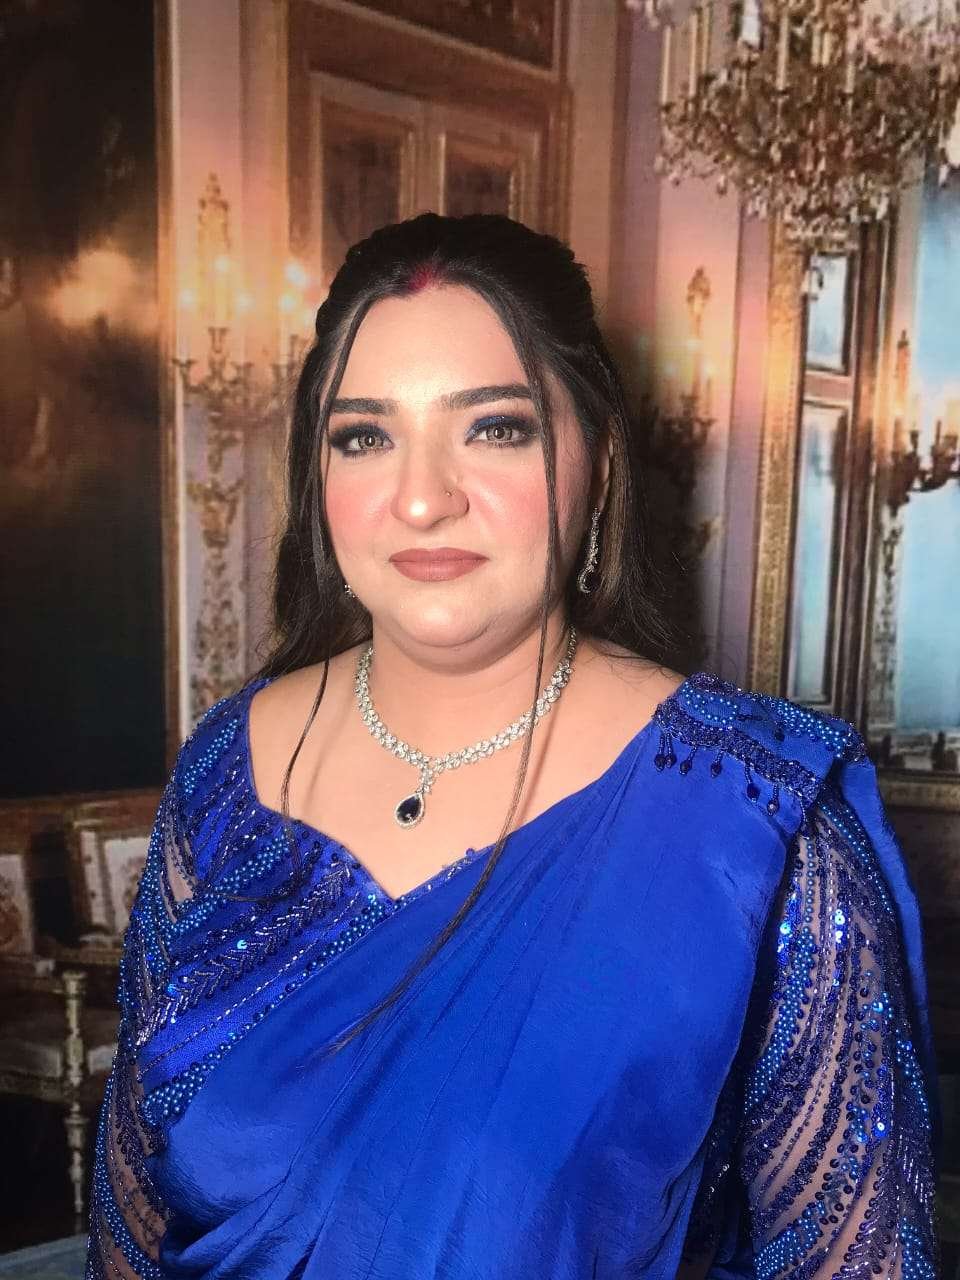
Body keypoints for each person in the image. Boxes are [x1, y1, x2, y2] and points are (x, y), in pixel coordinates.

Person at [84, 213, 942, 1279]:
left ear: (600, 459)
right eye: (364, 436)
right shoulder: (227, 765)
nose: (421, 497)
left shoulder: (759, 821)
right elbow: (130, 1198)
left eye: (495, 428)